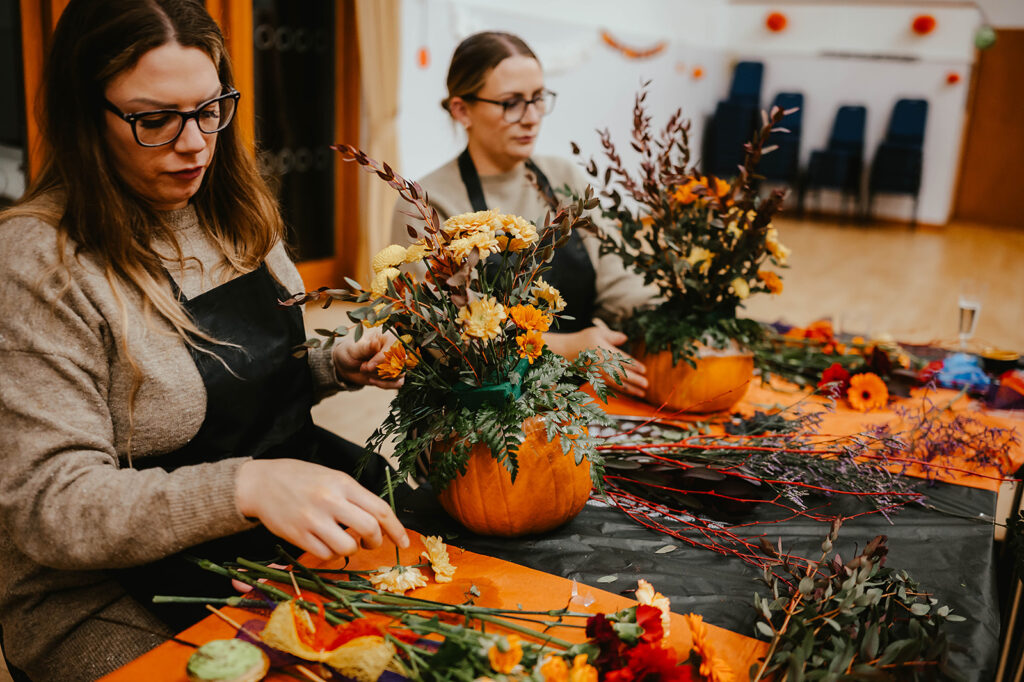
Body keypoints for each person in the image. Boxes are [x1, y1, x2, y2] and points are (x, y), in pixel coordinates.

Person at [0, 1, 409, 679]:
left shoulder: (236, 214)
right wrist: (242, 487)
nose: (194, 143)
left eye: (210, 108)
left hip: (254, 541)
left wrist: (334, 364)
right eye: (154, 120)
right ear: (84, 116)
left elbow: (241, 389)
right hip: (108, 590)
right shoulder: (39, 261)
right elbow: (52, 506)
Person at [390, 31, 656, 397]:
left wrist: (671, 315)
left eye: (537, 98)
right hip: (479, 406)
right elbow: (443, 338)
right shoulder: (428, 203)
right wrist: (567, 347)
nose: (531, 118)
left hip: (580, 391)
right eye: (511, 102)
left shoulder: (563, 178)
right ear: (462, 110)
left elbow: (618, 279)